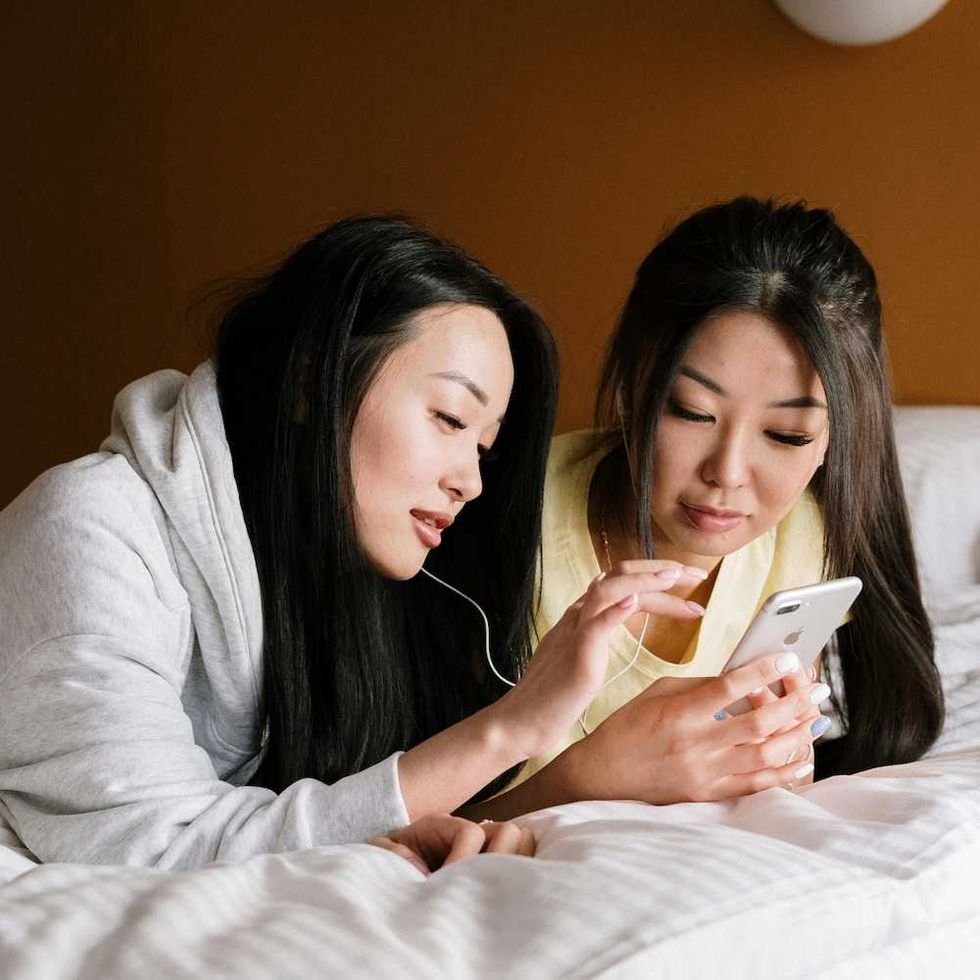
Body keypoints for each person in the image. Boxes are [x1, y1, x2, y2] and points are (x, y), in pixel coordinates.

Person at [0, 215, 736, 873]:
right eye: (450, 419)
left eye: (485, 447)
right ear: (313, 382)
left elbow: (295, 827)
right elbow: (159, 849)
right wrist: (513, 727)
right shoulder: (91, 532)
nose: (471, 483)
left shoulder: (328, 570)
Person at [473, 197, 945, 818]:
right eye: (692, 412)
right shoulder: (496, 519)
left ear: (837, 441)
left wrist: (780, 761)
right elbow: (391, 823)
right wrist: (589, 777)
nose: (726, 473)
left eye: (788, 436)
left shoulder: (811, 537)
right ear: (633, 381)